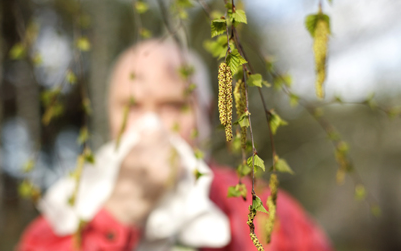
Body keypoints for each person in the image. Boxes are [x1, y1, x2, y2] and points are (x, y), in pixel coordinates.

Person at [19, 39, 333, 251]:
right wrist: (117, 215)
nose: (151, 125)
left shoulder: (266, 213)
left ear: (208, 113)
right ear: (110, 116)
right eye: (132, 107)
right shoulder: (67, 214)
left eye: (172, 106)